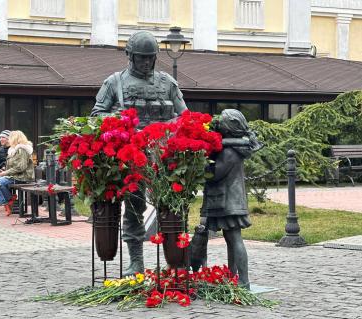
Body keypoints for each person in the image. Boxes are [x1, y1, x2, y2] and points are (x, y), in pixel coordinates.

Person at [91, 31, 188, 276]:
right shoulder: (115, 82)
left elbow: (185, 116)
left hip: (164, 156)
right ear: (130, 56)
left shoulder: (167, 83)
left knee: (172, 207)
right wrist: (122, 122)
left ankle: (175, 259)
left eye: (150, 58)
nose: (146, 62)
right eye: (141, 58)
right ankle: (136, 260)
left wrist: (166, 128)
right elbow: (96, 115)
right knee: (134, 207)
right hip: (131, 157)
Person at [199, 109, 262, 289]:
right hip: (227, 200)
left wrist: (202, 164)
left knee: (234, 239)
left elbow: (215, 174)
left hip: (228, 202)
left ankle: (243, 281)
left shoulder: (229, 153)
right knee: (231, 239)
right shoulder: (232, 148)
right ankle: (234, 277)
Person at [0, 130, 35, 216]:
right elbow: (12, 166)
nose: (8, 140)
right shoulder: (12, 150)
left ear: (15, 138)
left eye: (10, 138)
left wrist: (5, 173)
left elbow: (21, 167)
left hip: (22, 176)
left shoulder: (22, 149)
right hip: (14, 175)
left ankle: (9, 201)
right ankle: (7, 202)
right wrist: (3, 171)